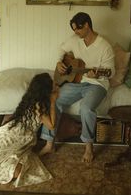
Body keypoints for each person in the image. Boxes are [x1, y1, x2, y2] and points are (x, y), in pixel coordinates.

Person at [39, 12, 115, 163]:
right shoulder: (75, 40)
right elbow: (61, 49)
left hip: (97, 84)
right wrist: (59, 62)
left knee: (86, 108)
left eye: (78, 29)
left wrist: (98, 75)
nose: (75, 32)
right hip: (77, 82)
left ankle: (88, 147)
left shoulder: (105, 46)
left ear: (86, 25)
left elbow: (111, 72)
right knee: (54, 100)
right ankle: (49, 143)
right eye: (74, 30)